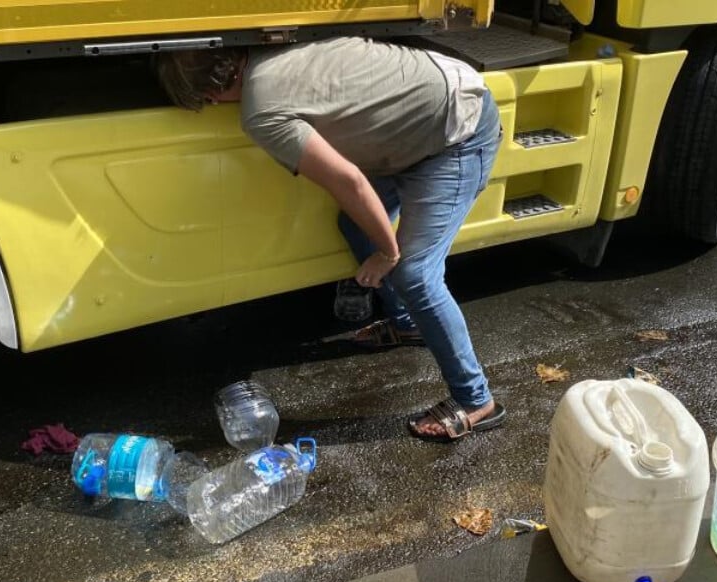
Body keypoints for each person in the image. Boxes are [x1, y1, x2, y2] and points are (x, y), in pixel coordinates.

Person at [157, 37, 506, 442]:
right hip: (425, 114)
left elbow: (348, 180)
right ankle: (409, 324)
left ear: (211, 94)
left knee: (414, 274)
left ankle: (475, 399)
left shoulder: (260, 112)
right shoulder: (272, 47)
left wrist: (388, 252)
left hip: (457, 131)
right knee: (355, 225)